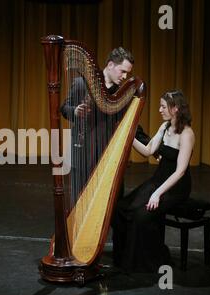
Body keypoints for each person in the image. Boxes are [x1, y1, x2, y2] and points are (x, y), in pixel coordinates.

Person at [111, 90, 194, 273]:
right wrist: (128, 135)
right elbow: (148, 151)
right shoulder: (164, 127)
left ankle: (146, 261)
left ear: (175, 109)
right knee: (121, 208)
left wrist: (157, 194)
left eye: (163, 106)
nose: (159, 110)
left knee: (141, 215)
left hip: (175, 187)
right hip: (158, 180)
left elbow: (180, 172)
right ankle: (123, 257)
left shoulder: (187, 134)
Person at [60, 47, 149, 204]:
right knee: (79, 203)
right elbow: (64, 108)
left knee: (113, 205)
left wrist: (150, 146)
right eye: (122, 71)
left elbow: (130, 124)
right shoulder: (82, 84)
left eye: (128, 73)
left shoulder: (121, 93)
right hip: (82, 154)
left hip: (108, 155)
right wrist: (75, 111)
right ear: (110, 65)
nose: (125, 76)